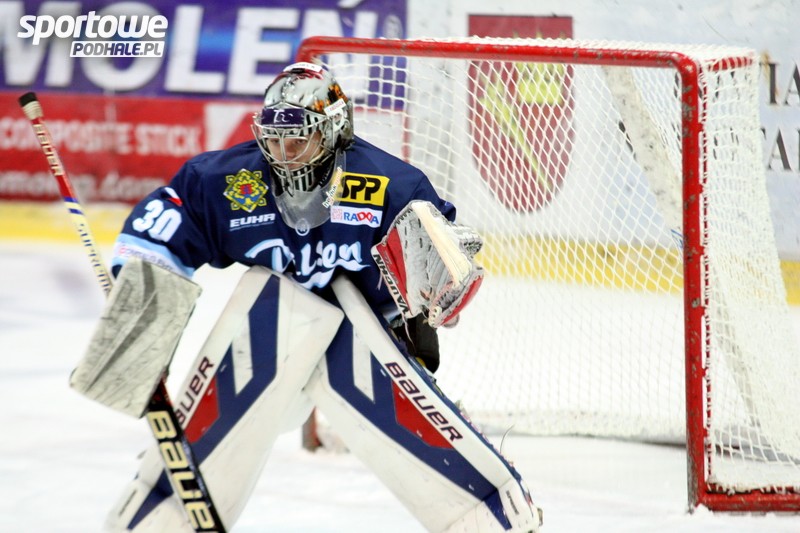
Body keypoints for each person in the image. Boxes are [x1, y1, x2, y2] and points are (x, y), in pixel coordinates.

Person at [100, 62, 541, 532]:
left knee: (340, 301)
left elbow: (438, 285)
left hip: (361, 356)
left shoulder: (391, 188)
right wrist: (143, 318)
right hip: (269, 350)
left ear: (334, 132)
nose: (284, 154)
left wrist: (440, 293)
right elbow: (162, 230)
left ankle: (488, 516)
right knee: (274, 297)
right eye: (274, 140)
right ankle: (160, 521)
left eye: (298, 140)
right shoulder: (229, 183)